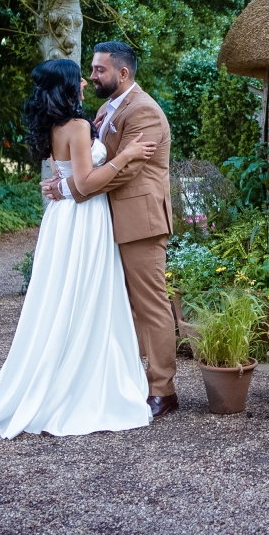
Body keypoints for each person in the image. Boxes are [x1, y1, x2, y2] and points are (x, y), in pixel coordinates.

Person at [0, 56, 158, 439]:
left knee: (63, 297)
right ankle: (79, 384)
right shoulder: (76, 125)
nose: (87, 83)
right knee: (85, 296)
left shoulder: (53, 125)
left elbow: (67, 177)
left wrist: (61, 186)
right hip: (83, 221)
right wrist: (126, 155)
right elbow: (87, 184)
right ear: (67, 87)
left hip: (62, 219)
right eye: (80, 79)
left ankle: (61, 371)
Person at [85, 41, 178, 419]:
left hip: (140, 222)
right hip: (110, 220)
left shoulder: (144, 112)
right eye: (92, 69)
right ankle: (129, 383)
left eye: (99, 70)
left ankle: (163, 390)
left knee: (150, 305)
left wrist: (77, 186)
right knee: (121, 306)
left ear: (122, 73)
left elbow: (124, 170)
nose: (92, 76)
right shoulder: (107, 108)